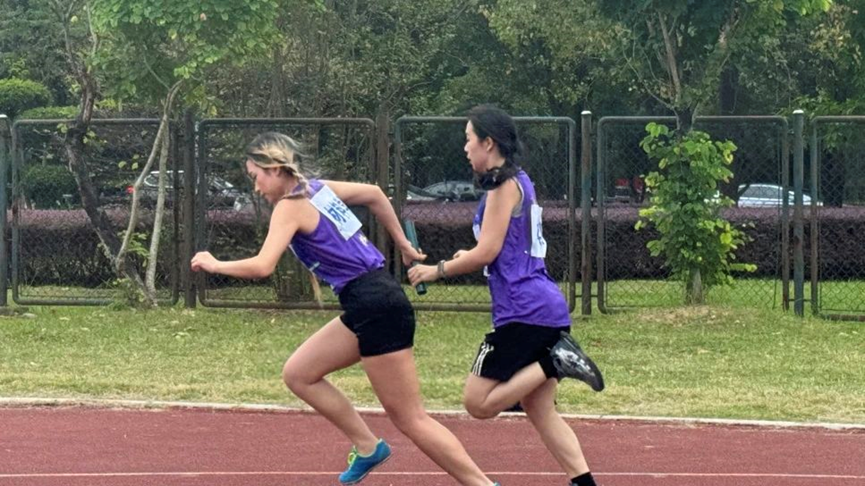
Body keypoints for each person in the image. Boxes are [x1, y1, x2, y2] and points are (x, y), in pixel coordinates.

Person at [191, 132, 500, 486]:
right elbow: (374, 194)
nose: (255, 187)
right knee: (299, 373)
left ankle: (483, 485)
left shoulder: (290, 206)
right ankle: (368, 447)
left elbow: (263, 266)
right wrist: (401, 243)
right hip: (371, 301)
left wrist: (215, 264)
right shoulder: (318, 190)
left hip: (375, 305)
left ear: (274, 168)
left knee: (412, 419)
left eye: (255, 176)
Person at [408, 105, 605, 486]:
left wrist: (438, 269)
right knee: (540, 409)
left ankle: (555, 361)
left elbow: (488, 251)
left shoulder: (502, 187)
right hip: (544, 308)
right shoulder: (520, 181)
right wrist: (469, 255)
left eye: (469, 139)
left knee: (477, 403)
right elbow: (502, 247)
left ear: (488, 142)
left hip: (524, 311)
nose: (465, 147)